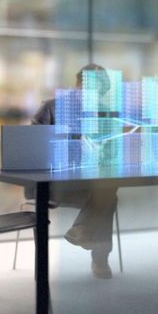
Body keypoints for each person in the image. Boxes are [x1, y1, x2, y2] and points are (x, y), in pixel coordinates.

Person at [32, 64, 120, 280]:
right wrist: (69, 144)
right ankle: (99, 257)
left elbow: (113, 152)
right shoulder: (51, 108)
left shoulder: (102, 113)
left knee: (107, 188)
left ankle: (82, 229)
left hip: (87, 185)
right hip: (55, 185)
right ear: (78, 84)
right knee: (108, 196)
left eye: (97, 92)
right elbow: (32, 148)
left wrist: (103, 149)